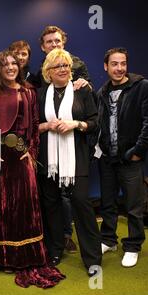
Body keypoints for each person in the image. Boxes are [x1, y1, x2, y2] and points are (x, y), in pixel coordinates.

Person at [0, 49, 65, 288]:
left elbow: (32, 126)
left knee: (23, 207)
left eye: (14, 64)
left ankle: (24, 255)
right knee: (1, 208)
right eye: (5, 64)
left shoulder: (29, 91)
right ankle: (2, 257)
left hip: (20, 158)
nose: (10, 67)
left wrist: (30, 153)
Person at [37, 48, 102, 276]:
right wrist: (47, 126)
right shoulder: (40, 93)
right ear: (48, 71)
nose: (64, 70)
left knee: (82, 205)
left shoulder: (81, 90)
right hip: (48, 160)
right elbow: (33, 125)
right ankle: (55, 250)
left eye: (66, 65)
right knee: (51, 205)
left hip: (77, 157)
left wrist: (75, 124)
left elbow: (94, 122)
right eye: (58, 66)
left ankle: (93, 258)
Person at [97, 47, 148, 267]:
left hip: (130, 158)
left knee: (133, 205)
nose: (119, 68)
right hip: (107, 158)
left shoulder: (143, 87)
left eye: (123, 63)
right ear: (106, 66)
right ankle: (108, 239)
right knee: (108, 203)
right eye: (114, 64)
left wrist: (137, 152)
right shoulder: (101, 92)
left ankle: (132, 246)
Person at [36, 25, 91, 90]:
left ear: (63, 44)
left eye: (57, 41)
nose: (54, 45)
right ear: (43, 47)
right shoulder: (42, 69)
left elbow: (90, 91)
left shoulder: (78, 65)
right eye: (49, 42)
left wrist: (86, 84)